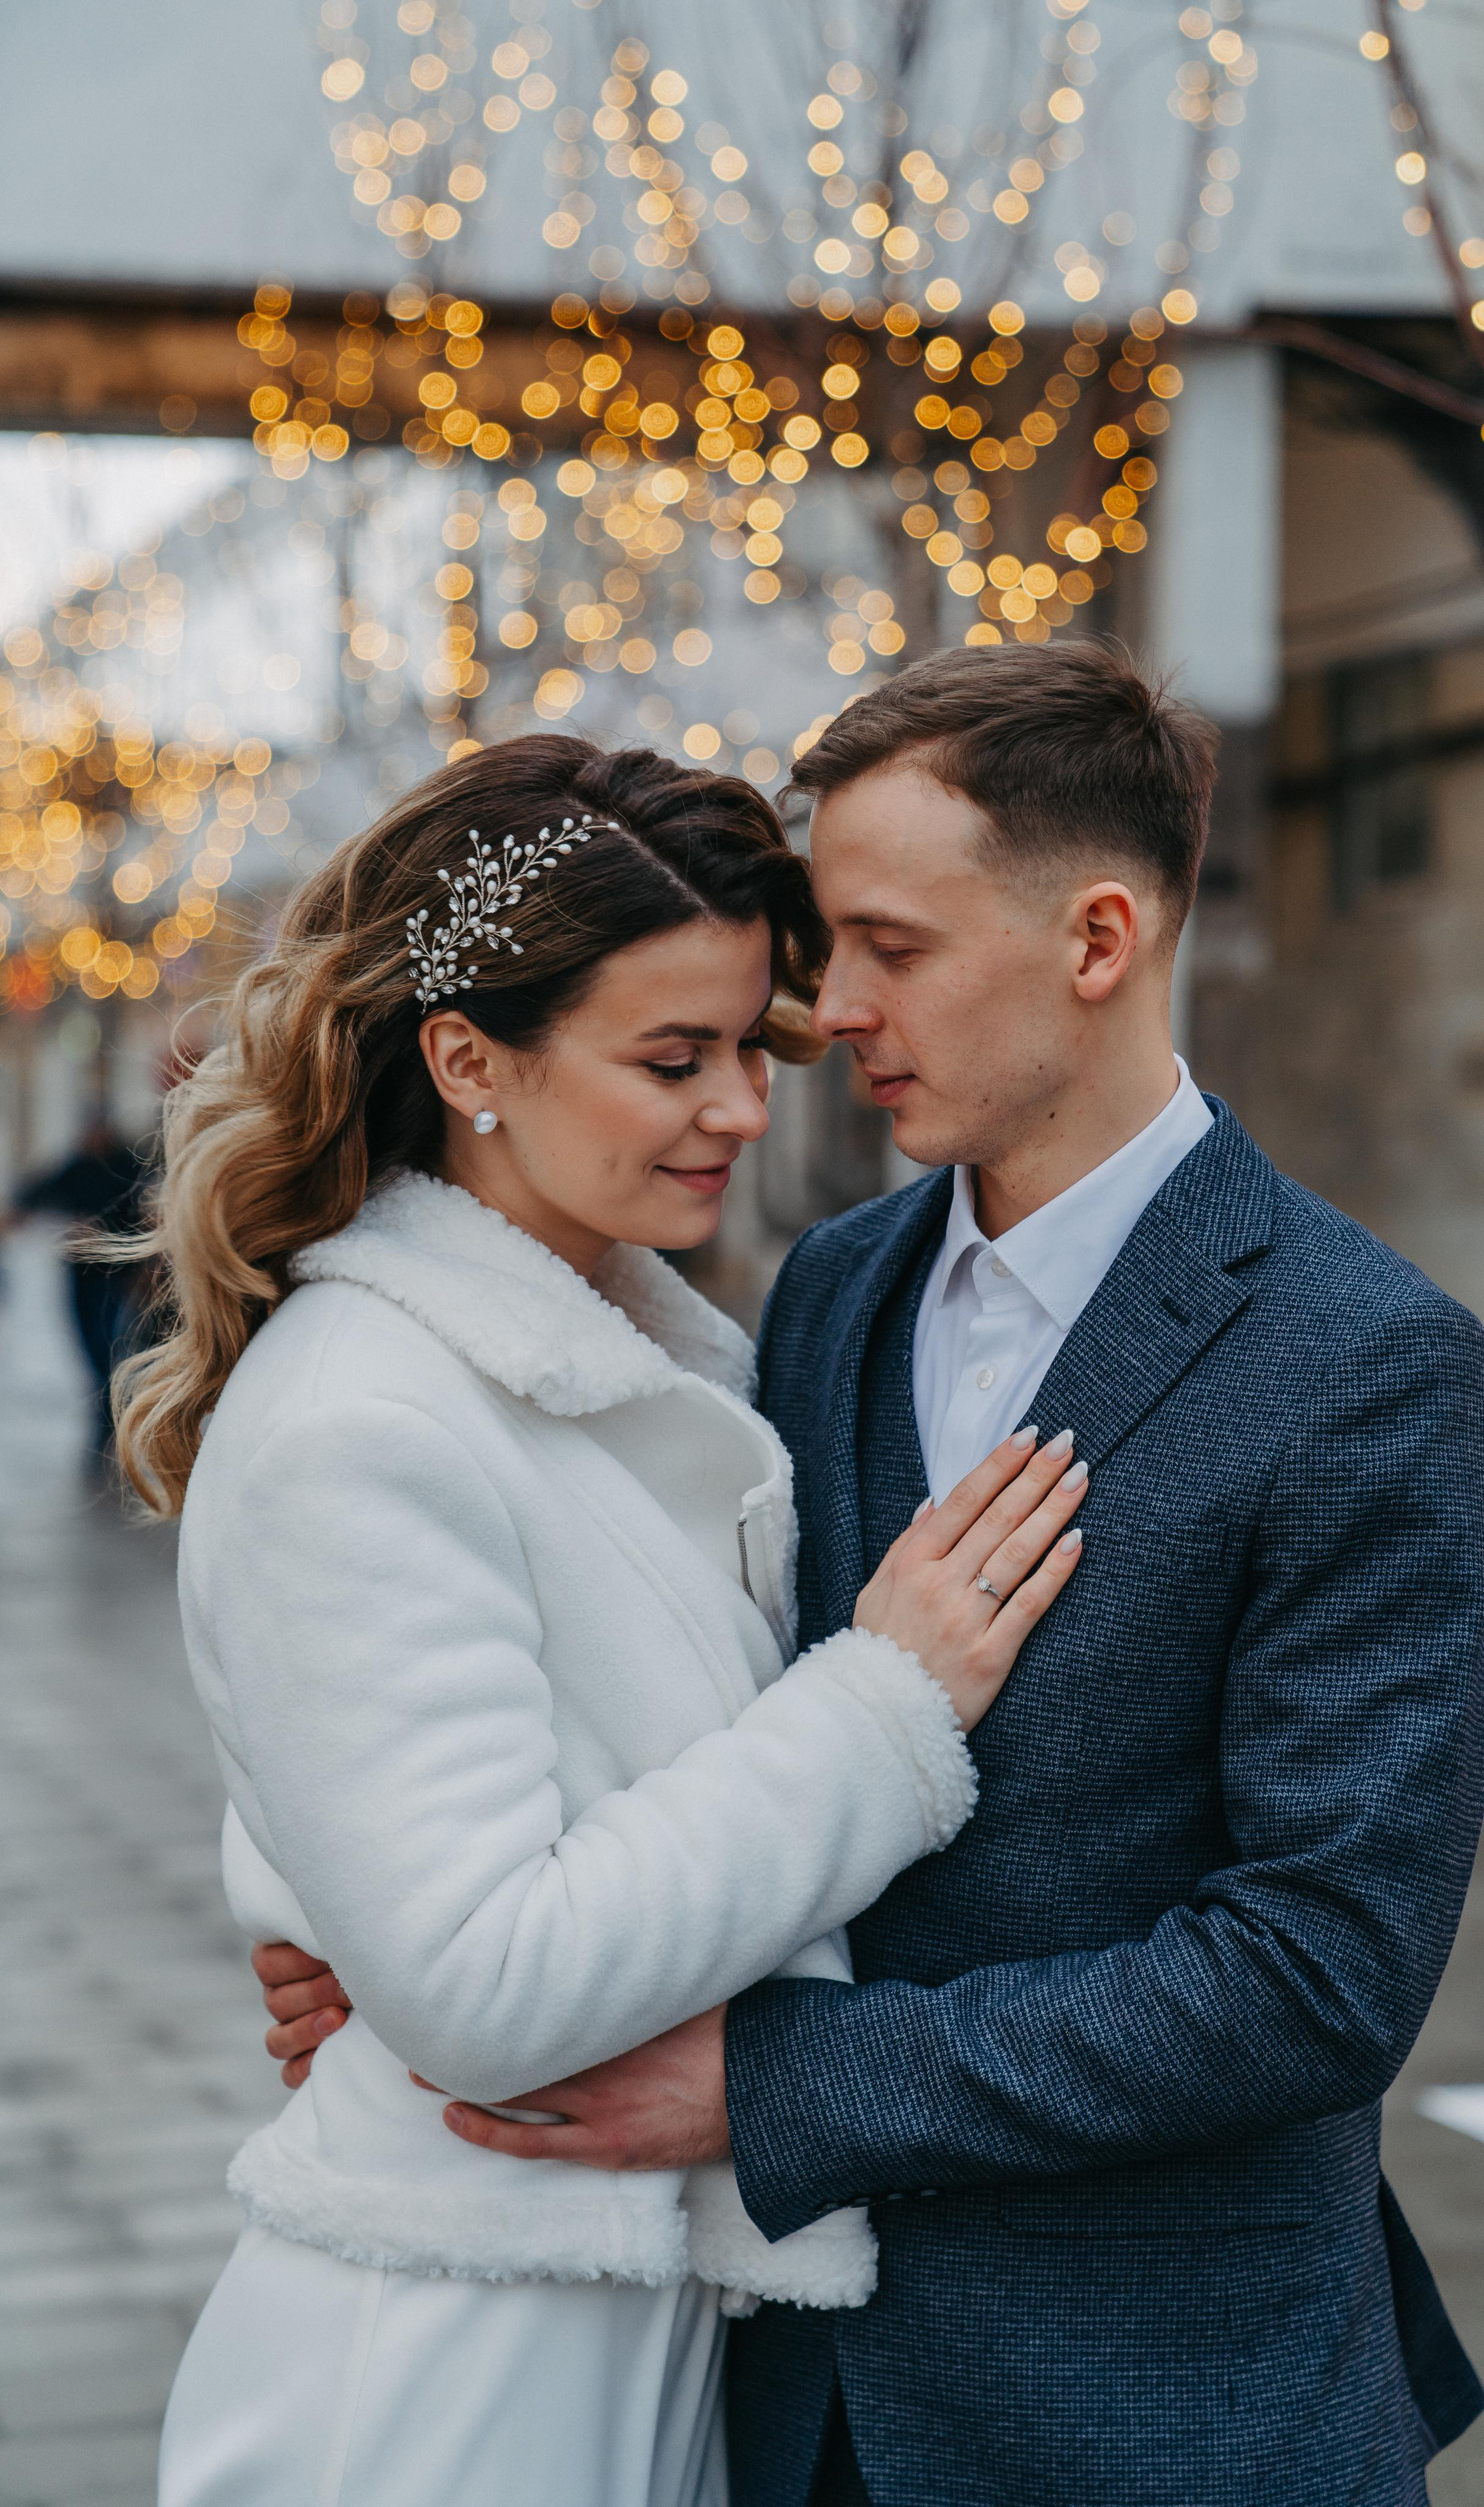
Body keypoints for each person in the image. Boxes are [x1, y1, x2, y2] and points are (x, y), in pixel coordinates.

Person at [263, 645, 1484, 2507]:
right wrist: (407, 1935)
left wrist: (777, 2086)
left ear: (1097, 938)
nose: (830, 1008)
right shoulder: (830, 1287)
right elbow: (694, 1707)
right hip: (781, 2407)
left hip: (1161, 2405)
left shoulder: (1369, 1362)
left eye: (889, 946)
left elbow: (1320, 1972)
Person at [120, 734, 1088, 2507]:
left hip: (613, 2313)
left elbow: (486, 1892)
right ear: (470, 1058)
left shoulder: (639, 1373)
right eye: (672, 1058)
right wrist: (889, 1700)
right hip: (445, 2367)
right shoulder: (366, 1417)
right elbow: (487, 1982)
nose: (741, 1108)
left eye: (743, 1047)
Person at [6, 1116, 150, 1450]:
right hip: (81, 1270)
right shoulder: (77, 1166)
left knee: (109, 1336)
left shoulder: (127, 1167)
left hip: (116, 1270)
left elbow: (139, 1214)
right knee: (85, 1335)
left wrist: (104, 1230)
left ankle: (109, 1403)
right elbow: (36, 1192)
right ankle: (104, 1397)